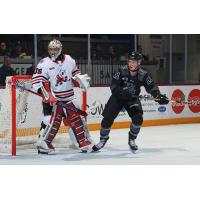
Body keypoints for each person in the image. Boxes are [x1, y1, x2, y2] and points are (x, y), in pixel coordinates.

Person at [92, 51, 169, 152]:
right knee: (107, 119)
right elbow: (113, 86)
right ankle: (103, 140)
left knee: (138, 119)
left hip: (132, 99)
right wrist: (122, 92)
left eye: (134, 62)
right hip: (117, 98)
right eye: (130, 61)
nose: (131, 64)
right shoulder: (121, 71)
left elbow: (151, 87)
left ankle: (132, 139)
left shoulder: (143, 74)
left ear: (139, 63)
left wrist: (158, 96)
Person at [31, 39, 92, 154]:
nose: (53, 51)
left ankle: (83, 142)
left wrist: (80, 79)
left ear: (60, 49)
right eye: (51, 49)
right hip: (54, 99)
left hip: (69, 98)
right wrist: (48, 95)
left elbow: (74, 72)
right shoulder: (44, 63)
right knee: (52, 122)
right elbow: (36, 81)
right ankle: (43, 144)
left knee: (78, 119)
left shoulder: (69, 59)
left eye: (55, 49)